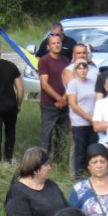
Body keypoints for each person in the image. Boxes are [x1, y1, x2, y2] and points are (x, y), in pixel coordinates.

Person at [38, 33, 71, 163]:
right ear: (48, 46)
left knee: (61, 136)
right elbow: (44, 84)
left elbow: (70, 82)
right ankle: (44, 163)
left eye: (58, 43)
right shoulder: (44, 61)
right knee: (47, 136)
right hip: (49, 105)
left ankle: (58, 162)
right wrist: (59, 99)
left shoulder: (66, 61)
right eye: (53, 43)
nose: (57, 45)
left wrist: (64, 99)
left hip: (64, 105)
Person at [65, 59, 98, 178]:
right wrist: (88, 117)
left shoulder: (92, 82)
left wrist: (95, 118)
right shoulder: (73, 84)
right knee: (79, 149)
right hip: (79, 122)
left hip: (92, 122)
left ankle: (90, 173)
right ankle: (77, 175)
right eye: (79, 67)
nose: (82, 70)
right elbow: (73, 104)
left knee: (91, 148)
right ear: (75, 70)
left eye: (84, 67)